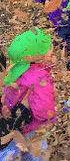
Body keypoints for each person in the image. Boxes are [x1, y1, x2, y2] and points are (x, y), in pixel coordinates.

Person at [0, 28, 55, 160]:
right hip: (33, 128)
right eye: (47, 49)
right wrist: (49, 118)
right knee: (36, 152)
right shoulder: (40, 77)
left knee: (18, 150)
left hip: (15, 125)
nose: (52, 51)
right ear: (36, 57)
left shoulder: (16, 71)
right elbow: (43, 107)